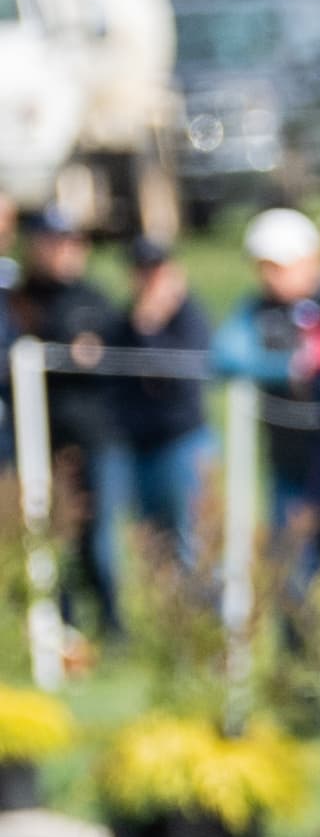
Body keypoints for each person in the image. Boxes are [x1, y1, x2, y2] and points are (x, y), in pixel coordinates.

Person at [211, 208, 320, 575]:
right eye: (264, 267)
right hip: (290, 466)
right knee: (291, 576)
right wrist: (288, 366)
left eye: (279, 266)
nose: (269, 277)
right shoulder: (257, 311)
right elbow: (226, 356)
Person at [16, 208, 127, 633]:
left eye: (71, 243)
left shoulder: (93, 300)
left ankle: (111, 625)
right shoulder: (20, 299)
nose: (65, 252)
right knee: (48, 534)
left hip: (93, 439)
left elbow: (113, 361)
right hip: (37, 440)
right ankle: (58, 624)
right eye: (55, 243)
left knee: (96, 538)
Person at [96, 237, 216, 590]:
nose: (149, 279)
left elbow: (180, 381)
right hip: (139, 448)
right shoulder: (122, 321)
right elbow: (113, 383)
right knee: (154, 546)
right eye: (141, 271)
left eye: (156, 270)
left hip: (182, 445)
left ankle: (201, 630)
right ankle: (167, 627)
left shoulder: (190, 317)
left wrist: (149, 328)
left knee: (193, 542)